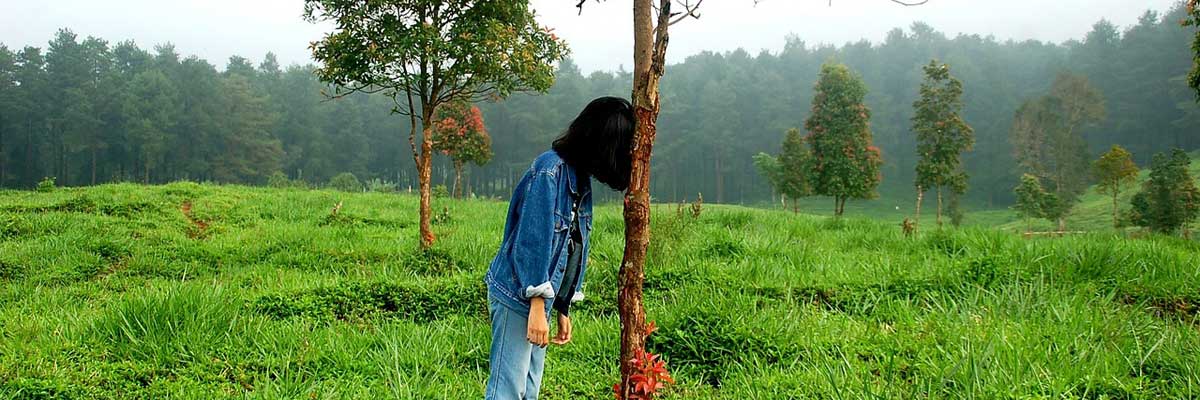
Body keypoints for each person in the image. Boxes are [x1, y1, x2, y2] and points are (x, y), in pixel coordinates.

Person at [483, 96, 635, 399]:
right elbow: (532, 241)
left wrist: (563, 304)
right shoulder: (549, 171)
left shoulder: (580, 177)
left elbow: (573, 244)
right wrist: (538, 305)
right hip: (518, 294)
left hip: (542, 299)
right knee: (507, 390)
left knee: (529, 389)